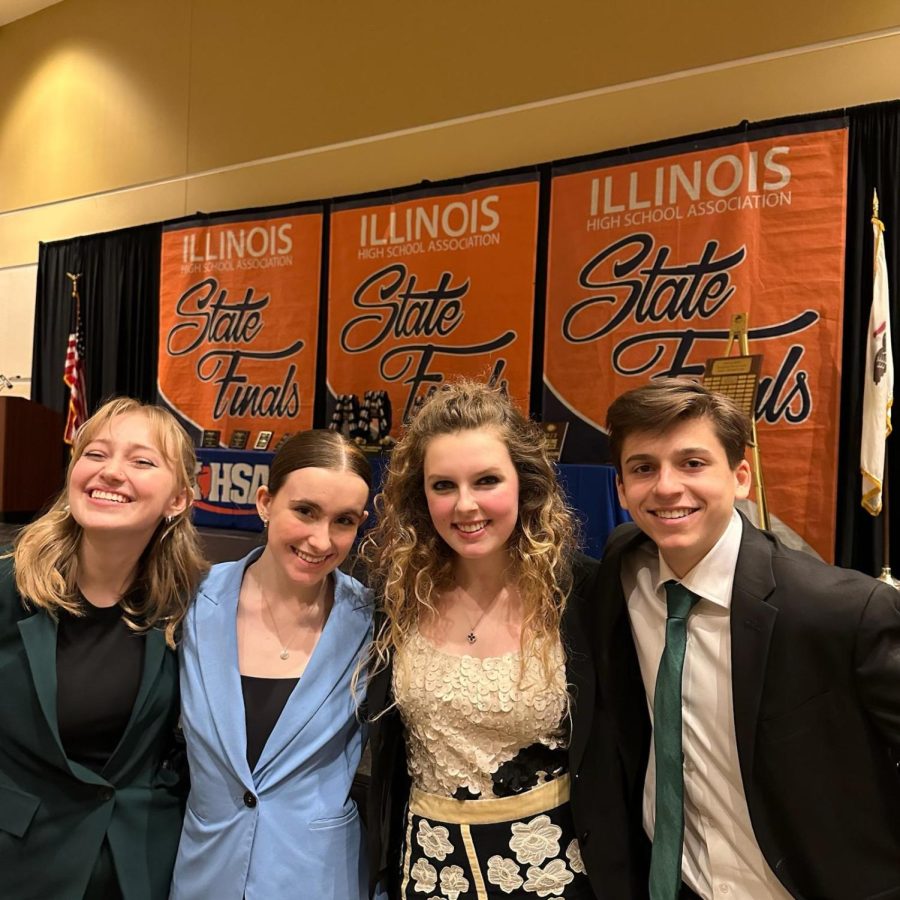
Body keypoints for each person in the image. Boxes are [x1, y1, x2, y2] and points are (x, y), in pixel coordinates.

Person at [595, 378, 900, 900]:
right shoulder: (622, 572)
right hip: (675, 883)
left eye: (693, 463)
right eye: (644, 468)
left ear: (741, 476)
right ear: (622, 490)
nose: (667, 486)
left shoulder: (841, 610)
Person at [363, 379, 615, 900]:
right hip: (428, 874)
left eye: (486, 481)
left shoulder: (585, 596)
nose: (465, 506)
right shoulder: (397, 596)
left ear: (524, 483)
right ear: (420, 493)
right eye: (443, 485)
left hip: (557, 875)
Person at [0, 397, 207, 900]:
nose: (111, 473)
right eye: (95, 454)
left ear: (178, 499)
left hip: (135, 869)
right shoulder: (7, 588)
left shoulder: (191, 606)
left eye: (141, 461)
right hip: (19, 863)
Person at [172, 430, 377, 899]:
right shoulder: (191, 601)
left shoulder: (373, 622)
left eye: (343, 521)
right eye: (304, 511)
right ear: (265, 502)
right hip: (206, 875)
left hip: (320, 879)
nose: (320, 539)